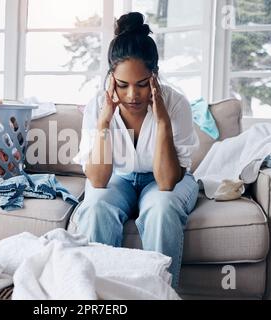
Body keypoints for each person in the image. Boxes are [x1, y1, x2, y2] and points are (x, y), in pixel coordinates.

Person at [72, 12, 200, 289]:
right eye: (122, 85)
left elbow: (167, 182)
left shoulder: (176, 104)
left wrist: (163, 119)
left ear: (154, 76)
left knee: (162, 208)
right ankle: (99, 297)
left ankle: (158, 295)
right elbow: (97, 181)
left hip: (167, 179)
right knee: (95, 207)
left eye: (142, 84)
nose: (132, 95)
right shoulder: (97, 105)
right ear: (110, 78)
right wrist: (105, 121)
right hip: (120, 177)